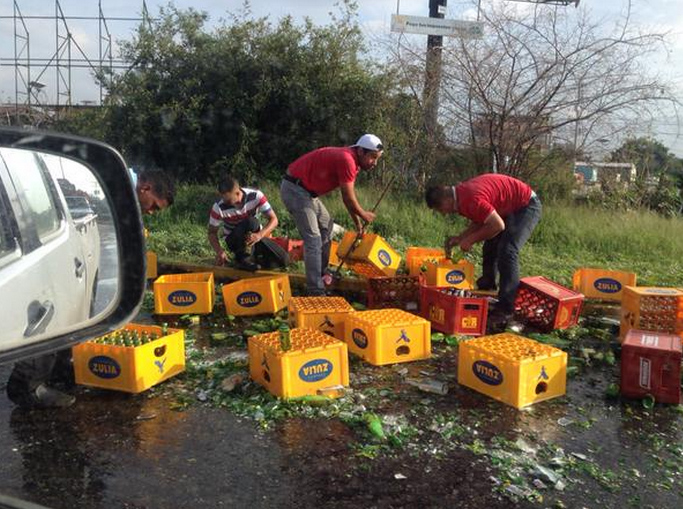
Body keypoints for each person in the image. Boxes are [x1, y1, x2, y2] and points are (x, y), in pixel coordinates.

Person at [5, 168, 175, 409]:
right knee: (52, 316)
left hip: (73, 246)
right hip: (48, 252)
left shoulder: (120, 189)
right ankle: (28, 385)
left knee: (78, 309)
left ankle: (63, 368)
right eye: (154, 206)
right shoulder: (105, 177)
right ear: (145, 188)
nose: (151, 212)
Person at [425, 173, 542, 330]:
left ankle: (506, 309)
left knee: (507, 251)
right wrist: (461, 238)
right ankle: (487, 291)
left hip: (525, 206)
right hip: (507, 209)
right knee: (490, 245)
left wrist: (471, 240)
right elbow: (481, 219)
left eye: (441, 209)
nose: (444, 213)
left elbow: (497, 225)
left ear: (446, 200)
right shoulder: (462, 196)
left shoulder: (469, 197)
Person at [281, 134, 384, 295]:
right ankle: (315, 289)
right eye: (372, 157)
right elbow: (348, 198)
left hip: (308, 193)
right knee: (313, 239)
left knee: (326, 225)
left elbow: (347, 198)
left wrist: (358, 224)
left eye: (377, 159)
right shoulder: (347, 159)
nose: (374, 163)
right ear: (361, 151)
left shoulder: (352, 161)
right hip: (295, 189)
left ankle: (322, 273)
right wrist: (364, 215)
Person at [208, 174, 284, 271]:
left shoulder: (256, 196)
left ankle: (253, 257)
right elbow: (211, 233)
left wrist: (260, 235)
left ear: (237, 193)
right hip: (234, 240)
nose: (225, 202)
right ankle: (243, 258)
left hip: (255, 237)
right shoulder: (218, 206)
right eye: (223, 199)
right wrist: (219, 251)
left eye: (228, 200)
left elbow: (274, 220)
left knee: (282, 259)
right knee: (251, 222)